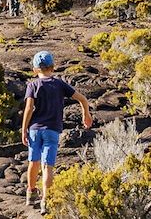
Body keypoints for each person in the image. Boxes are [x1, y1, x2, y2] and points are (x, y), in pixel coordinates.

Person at [20, 50, 92, 210]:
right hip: (52, 131)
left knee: (33, 162)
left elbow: (29, 108)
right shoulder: (59, 84)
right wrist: (86, 114)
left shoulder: (32, 85)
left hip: (34, 130)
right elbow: (82, 99)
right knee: (47, 166)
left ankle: (31, 193)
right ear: (53, 67)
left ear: (35, 70)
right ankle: (46, 201)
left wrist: (24, 129)